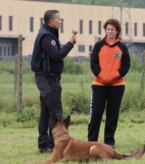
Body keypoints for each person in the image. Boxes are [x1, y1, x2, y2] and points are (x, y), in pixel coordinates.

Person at [30, 10, 77, 153]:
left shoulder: (48, 34)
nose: (61, 22)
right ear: (52, 21)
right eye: (59, 19)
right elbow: (56, 55)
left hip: (48, 77)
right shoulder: (46, 36)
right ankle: (53, 145)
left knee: (46, 111)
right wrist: (70, 44)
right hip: (47, 77)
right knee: (56, 111)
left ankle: (43, 145)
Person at [88, 18, 130, 148]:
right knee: (96, 114)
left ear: (117, 31)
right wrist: (102, 76)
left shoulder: (122, 47)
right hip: (99, 85)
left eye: (112, 29)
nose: (110, 31)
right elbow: (93, 63)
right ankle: (92, 141)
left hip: (116, 86)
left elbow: (126, 65)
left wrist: (114, 77)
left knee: (112, 114)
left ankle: (109, 142)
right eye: (108, 29)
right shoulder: (98, 46)